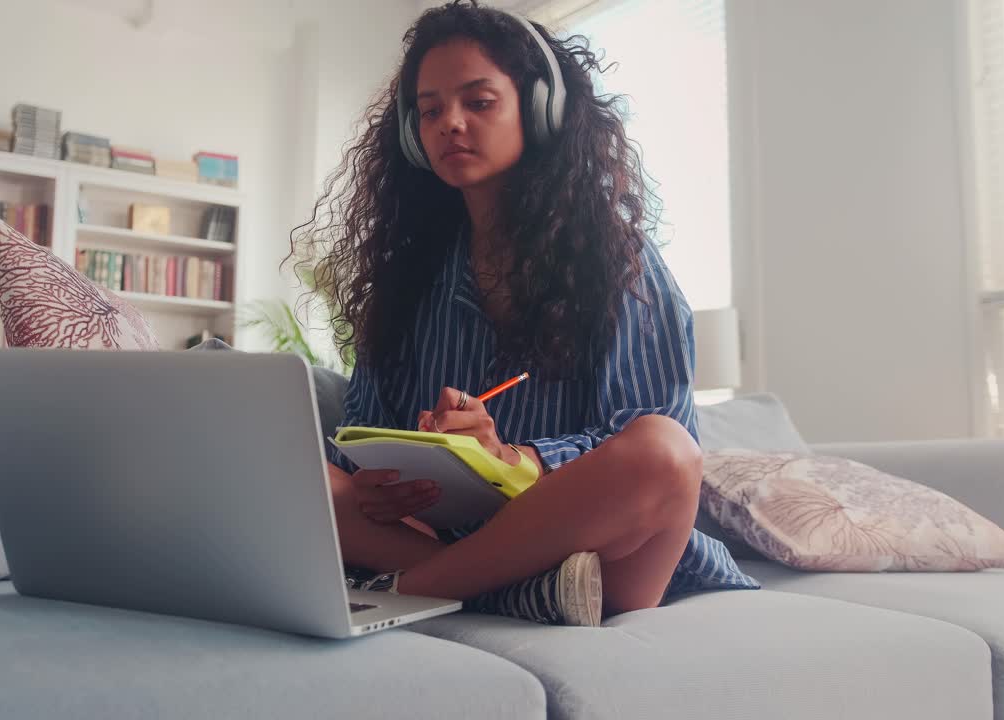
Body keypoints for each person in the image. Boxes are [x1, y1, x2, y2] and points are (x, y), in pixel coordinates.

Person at [289, 0, 759, 627]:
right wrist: (383, 474)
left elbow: (651, 434)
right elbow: (364, 433)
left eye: (478, 102)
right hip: (441, 531)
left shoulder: (620, 263)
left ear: (541, 111)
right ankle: (518, 591)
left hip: (599, 550)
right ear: (411, 133)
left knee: (662, 452)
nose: (450, 123)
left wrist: (514, 460)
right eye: (429, 111)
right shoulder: (404, 279)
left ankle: (411, 589)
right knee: (295, 472)